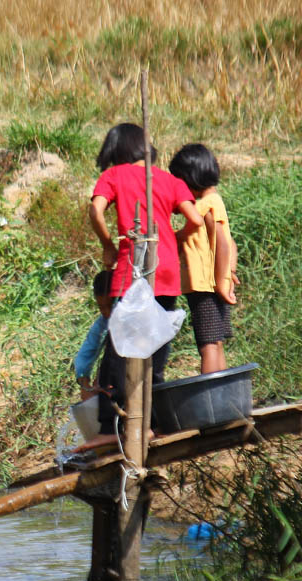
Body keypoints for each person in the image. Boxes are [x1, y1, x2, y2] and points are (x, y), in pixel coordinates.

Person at [88, 123, 205, 434]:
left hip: (133, 272)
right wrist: (174, 239)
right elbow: (195, 220)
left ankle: (106, 429)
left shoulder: (114, 176)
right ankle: (152, 425)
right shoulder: (167, 179)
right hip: (166, 271)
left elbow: (96, 211)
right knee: (154, 351)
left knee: (118, 353)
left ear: (118, 150)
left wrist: (108, 245)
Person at [168, 143, 239, 374]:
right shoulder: (216, 201)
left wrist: (219, 281)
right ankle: (223, 396)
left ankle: (211, 397)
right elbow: (231, 243)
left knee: (207, 345)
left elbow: (221, 243)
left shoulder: (204, 205)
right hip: (217, 282)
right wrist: (229, 274)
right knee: (217, 343)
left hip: (204, 284)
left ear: (189, 179)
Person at [73, 270, 113, 400]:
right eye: (102, 308)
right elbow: (86, 353)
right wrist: (85, 385)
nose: (107, 312)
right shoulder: (103, 322)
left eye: (111, 306)